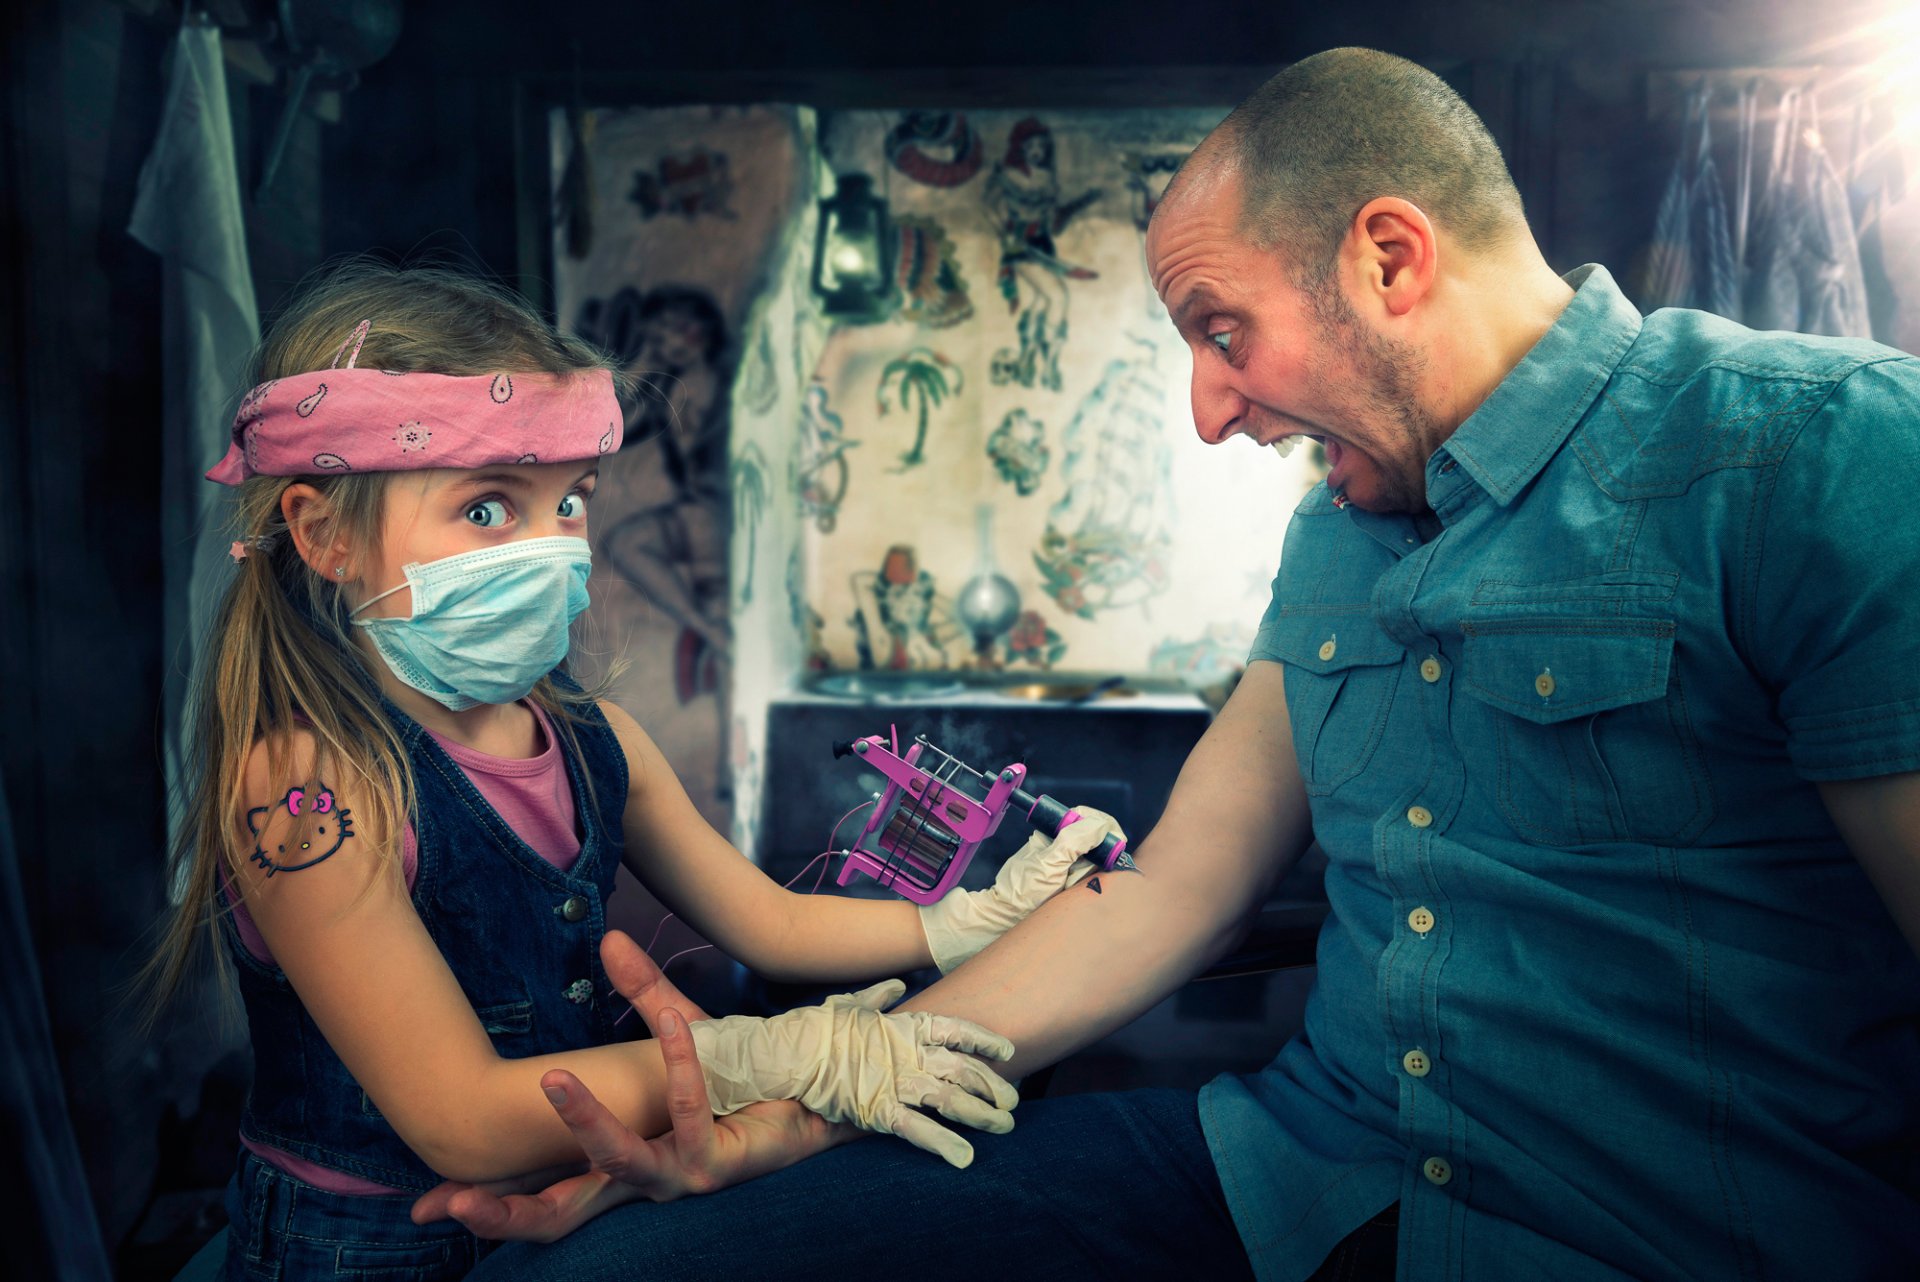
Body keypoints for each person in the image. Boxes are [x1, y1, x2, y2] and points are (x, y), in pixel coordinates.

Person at [448, 47, 1920, 1282]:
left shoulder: (1816, 452)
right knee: (601, 1267)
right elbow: (1166, 894)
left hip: (1650, 1238)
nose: (1213, 411)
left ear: (1390, 258)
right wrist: (805, 1108)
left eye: (1225, 333)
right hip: (1302, 1174)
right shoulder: (1339, 532)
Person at [144, 262, 1119, 1282]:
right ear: (322, 533)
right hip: (358, 1251)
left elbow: (769, 921)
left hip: (585, 1202)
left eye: (568, 501)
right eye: (486, 511)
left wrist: (966, 921)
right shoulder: (307, 784)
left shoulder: (593, 737)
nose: (551, 550)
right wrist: (776, 1059)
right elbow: (465, 1121)